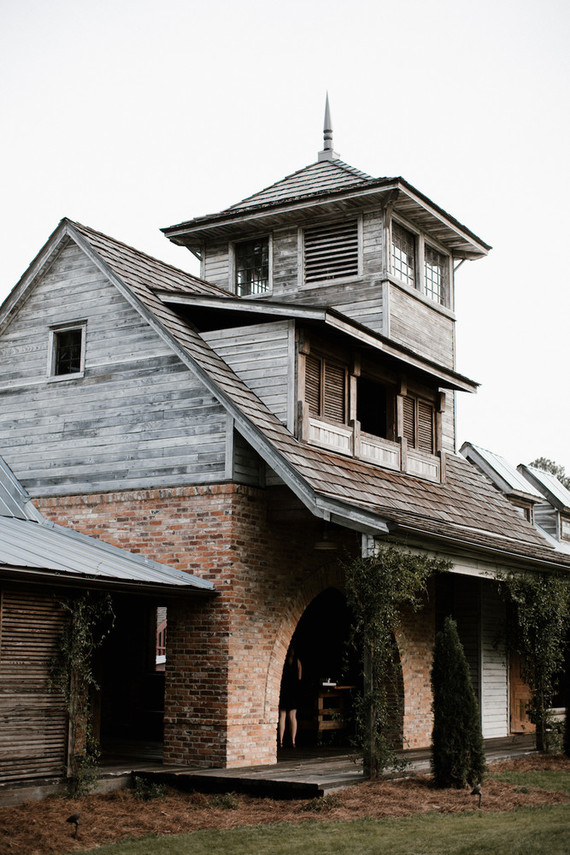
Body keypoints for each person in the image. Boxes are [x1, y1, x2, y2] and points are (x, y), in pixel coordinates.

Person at [278, 646, 302, 749]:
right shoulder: (298, 662)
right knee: (292, 716)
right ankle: (293, 741)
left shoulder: (282, 661)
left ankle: (281, 741)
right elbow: (300, 677)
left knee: (282, 716)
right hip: (294, 690)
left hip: (284, 690)